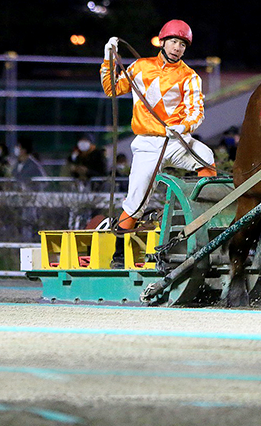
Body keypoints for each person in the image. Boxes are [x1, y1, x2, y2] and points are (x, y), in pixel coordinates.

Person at [101, 19, 216, 268]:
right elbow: (111, 89)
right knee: (136, 201)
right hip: (146, 143)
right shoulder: (140, 66)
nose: (177, 48)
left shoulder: (190, 77)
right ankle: (118, 255)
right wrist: (109, 58)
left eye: (183, 44)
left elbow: (197, 112)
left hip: (175, 140)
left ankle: (202, 214)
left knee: (205, 155)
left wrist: (183, 127)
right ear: (162, 41)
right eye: (174, 41)